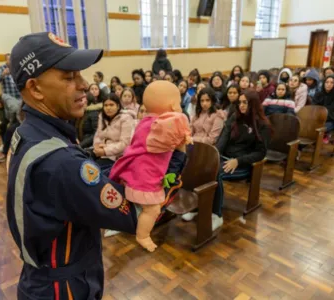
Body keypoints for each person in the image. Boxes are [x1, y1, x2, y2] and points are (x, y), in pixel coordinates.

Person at [6, 32, 141, 300]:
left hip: (41, 277)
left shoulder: (29, 132)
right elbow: (129, 214)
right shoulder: (62, 162)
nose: (84, 84)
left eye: (80, 74)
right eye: (69, 77)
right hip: (65, 288)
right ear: (35, 88)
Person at [109, 81, 192, 252]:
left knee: (142, 206)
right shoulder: (158, 126)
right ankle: (143, 236)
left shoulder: (146, 121)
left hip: (137, 171)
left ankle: (130, 223)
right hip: (146, 177)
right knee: (153, 209)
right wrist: (184, 134)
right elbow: (179, 124)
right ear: (172, 104)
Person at [183, 90, 270, 229]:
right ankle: (197, 207)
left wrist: (238, 161)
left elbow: (261, 152)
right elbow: (222, 141)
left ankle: (216, 214)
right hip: (225, 158)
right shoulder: (234, 117)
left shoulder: (262, 125)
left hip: (243, 164)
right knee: (203, 168)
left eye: (245, 102)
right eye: (240, 102)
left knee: (216, 173)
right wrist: (213, 158)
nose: (241, 105)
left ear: (253, 104)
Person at [93, 93, 135, 170]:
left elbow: (125, 143)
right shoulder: (102, 116)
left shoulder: (126, 118)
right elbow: (98, 135)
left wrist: (105, 150)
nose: (108, 108)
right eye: (105, 105)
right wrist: (97, 146)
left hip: (116, 156)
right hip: (101, 152)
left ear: (118, 106)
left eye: (111, 105)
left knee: (94, 170)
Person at [0, 94, 22, 162]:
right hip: (14, 119)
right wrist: (0, 111)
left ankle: (5, 153)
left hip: (21, 118)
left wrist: (10, 123)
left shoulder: (6, 98)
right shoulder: (0, 107)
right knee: (2, 126)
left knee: (9, 130)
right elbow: (3, 120)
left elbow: (14, 108)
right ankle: (5, 145)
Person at [313, 75, 334, 144]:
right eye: (327, 82)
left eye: (332, 82)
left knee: (317, 129)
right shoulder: (318, 94)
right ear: (324, 83)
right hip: (317, 119)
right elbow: (313, 108)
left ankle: (320, 139)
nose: (329, 84)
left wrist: (322, 117)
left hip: (331, 120)